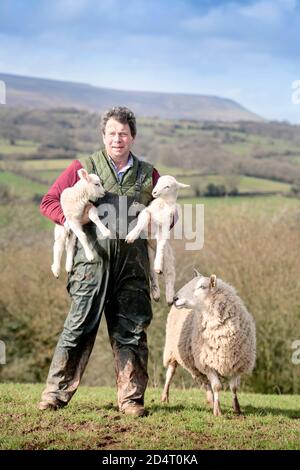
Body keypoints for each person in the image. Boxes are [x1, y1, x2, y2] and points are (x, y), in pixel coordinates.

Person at [38, 106, 162, 417]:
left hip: (133, 268)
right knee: (78, 326)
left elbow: (166, 213)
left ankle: (131, 400)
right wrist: (69, 222)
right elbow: (50, 202)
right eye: (111, 133)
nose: (117, 139)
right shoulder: (84, 167)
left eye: (123, 133)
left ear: (132, 137)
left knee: (133, 330)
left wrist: (160, 223)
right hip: (91, 265)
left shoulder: (149, 174)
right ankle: (54, 394)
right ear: (103, 136)